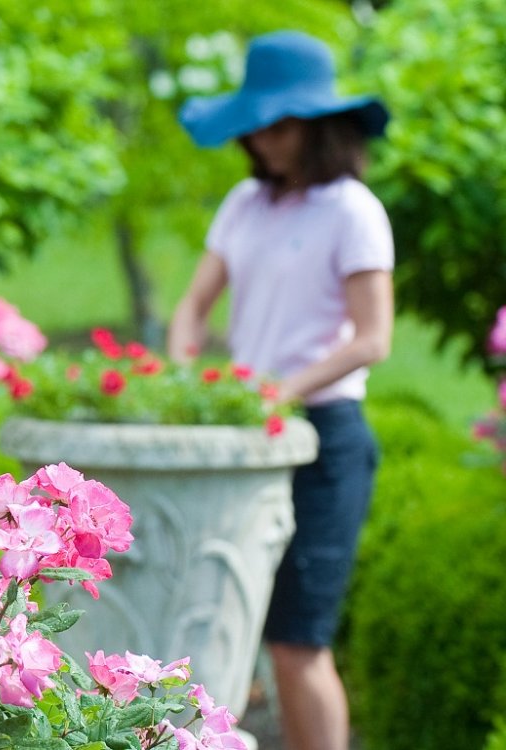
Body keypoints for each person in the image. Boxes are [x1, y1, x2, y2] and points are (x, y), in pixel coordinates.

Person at [167, 31, 394, 750]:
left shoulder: (353, 210)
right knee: (250, 631)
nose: (264, 140)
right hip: (250, 439)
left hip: (325, 440)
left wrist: (278, 391)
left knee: (300, 641)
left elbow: (372, 337)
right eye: (257, 125)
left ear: (322, 126)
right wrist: (184, 371)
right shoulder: (244, 203)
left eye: (282, 124)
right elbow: (194, 307)